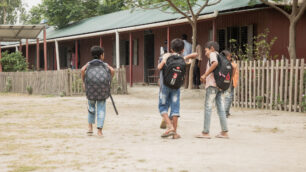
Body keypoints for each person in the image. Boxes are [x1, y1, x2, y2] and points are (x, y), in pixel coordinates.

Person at [158, 38, 197, 139]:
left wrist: (165, 59)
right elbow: (195, 55)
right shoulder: (182, 58)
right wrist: (186, 55)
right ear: (183, 50)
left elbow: (159, 67)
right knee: (175, 109)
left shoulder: (166, 56)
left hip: (165, 86)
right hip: (176, 87)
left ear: (171, 49)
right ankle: (174, 134)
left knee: (163, 107)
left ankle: (170, 127)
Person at [196, 41, 229, 139]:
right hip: (219, 85)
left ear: (211, 48)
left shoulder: (213, 54)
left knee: (208, 107)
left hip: (212, 86)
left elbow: (215, 64)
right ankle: (224, 131)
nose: (205, 53)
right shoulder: (221, 56)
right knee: (220, 108)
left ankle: (205, 132)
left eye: (206, 50)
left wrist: (205, 75)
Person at [81, 46, 115, 136]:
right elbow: (112, 70)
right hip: (102, 89)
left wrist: (83, 82)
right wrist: (109, 80)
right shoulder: (104, 64)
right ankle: (99, 131)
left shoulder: (89, 64)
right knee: (101, 109)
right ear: (101, 55)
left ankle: (90, 128)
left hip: (91, 89)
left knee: (91, 108)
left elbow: (82, 70)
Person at [222, 50, 239, 118]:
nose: (231, 58)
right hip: (229, 81)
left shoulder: (230, 63)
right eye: (230, 57)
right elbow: (233, 68)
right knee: (228, 97)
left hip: (231, 81)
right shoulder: (228, 64)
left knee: (229, 96)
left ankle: (227, 112)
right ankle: (225, 113)